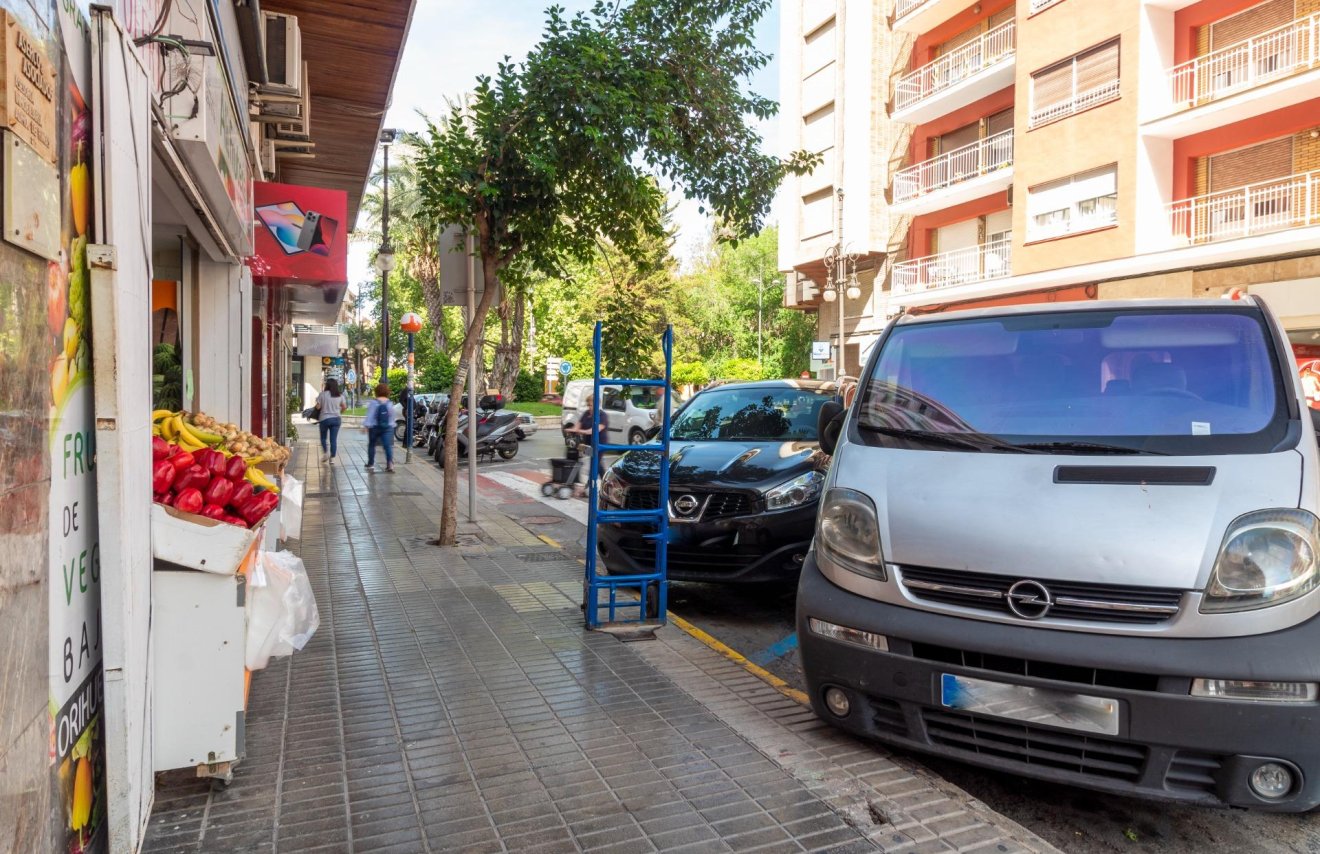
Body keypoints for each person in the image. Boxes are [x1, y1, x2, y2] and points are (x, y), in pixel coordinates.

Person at [566, 393, 608, 496]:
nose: (589, 407)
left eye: (591, 405)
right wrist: (570, 429)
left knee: (595, 464)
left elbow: (595, 429)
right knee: (598, 465)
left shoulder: (602, 415)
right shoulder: (586, 414)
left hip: (600, 443)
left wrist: (581, 431)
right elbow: (578, 426)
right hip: (589, 443)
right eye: (588, 405)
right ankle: (608, 484)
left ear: (597, 404)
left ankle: (589, 488)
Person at [365, 383, 395, 473]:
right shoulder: (390, 403)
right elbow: (392, 416)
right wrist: (391, 425)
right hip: (387, 427)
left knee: (372, 445)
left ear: (376, 392)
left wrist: (366, 426)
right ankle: (390, 464)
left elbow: (370, 415)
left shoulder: (373, 403)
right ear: (387, 392)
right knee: (387, 446)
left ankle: (371, 464)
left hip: (374, 427)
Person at [315, 379, 345, 463]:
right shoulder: (340, 396)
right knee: (333, 439)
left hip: (324, 419)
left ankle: (326, 452)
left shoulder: (322, 395)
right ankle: (332, 458)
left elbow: (317, 407)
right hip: (336, 419)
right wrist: (339, 412)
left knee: (323, 438)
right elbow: (344, 407)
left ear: (327, 385)